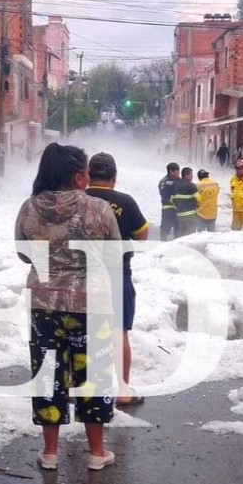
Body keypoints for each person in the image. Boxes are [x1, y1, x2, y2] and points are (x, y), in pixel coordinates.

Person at [16, 143, 121, 471]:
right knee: (94, 377)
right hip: (92, 305)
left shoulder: (30, 208)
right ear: (78, 176)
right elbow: (114, 253)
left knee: (49, 375)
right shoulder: (99, 209)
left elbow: (22, 254)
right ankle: (96, 453)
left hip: (44, 305)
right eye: (87, 172)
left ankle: (49, 453)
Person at [85, 153, 149, 406]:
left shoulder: (78, 199)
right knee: (118, 330)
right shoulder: (125, 201)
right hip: (115, 272)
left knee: (79, 329)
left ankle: (72, 387)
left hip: (81, 273)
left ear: (88, 175)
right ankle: (122, 390)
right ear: (114, 177)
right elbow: (142, 234)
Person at [172, 167, 201, 237]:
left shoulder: (175, 185)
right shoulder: (191, 185)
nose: (192, 176)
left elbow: (172, 199)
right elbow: (199, 199)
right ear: (186, 175)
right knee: (190, 237)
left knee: (181, 236)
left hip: (179, 215)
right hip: (190, 215)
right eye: (191, 174)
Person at [158, 162, 181, 241]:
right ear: (171, 171)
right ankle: (162, 246)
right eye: (177, 171)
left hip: (178, 211)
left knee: (178, 230)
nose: (178, 173)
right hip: (168, 210)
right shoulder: (163, 182)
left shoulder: (180, 181)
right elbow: (165, 196)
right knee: (165, 230)